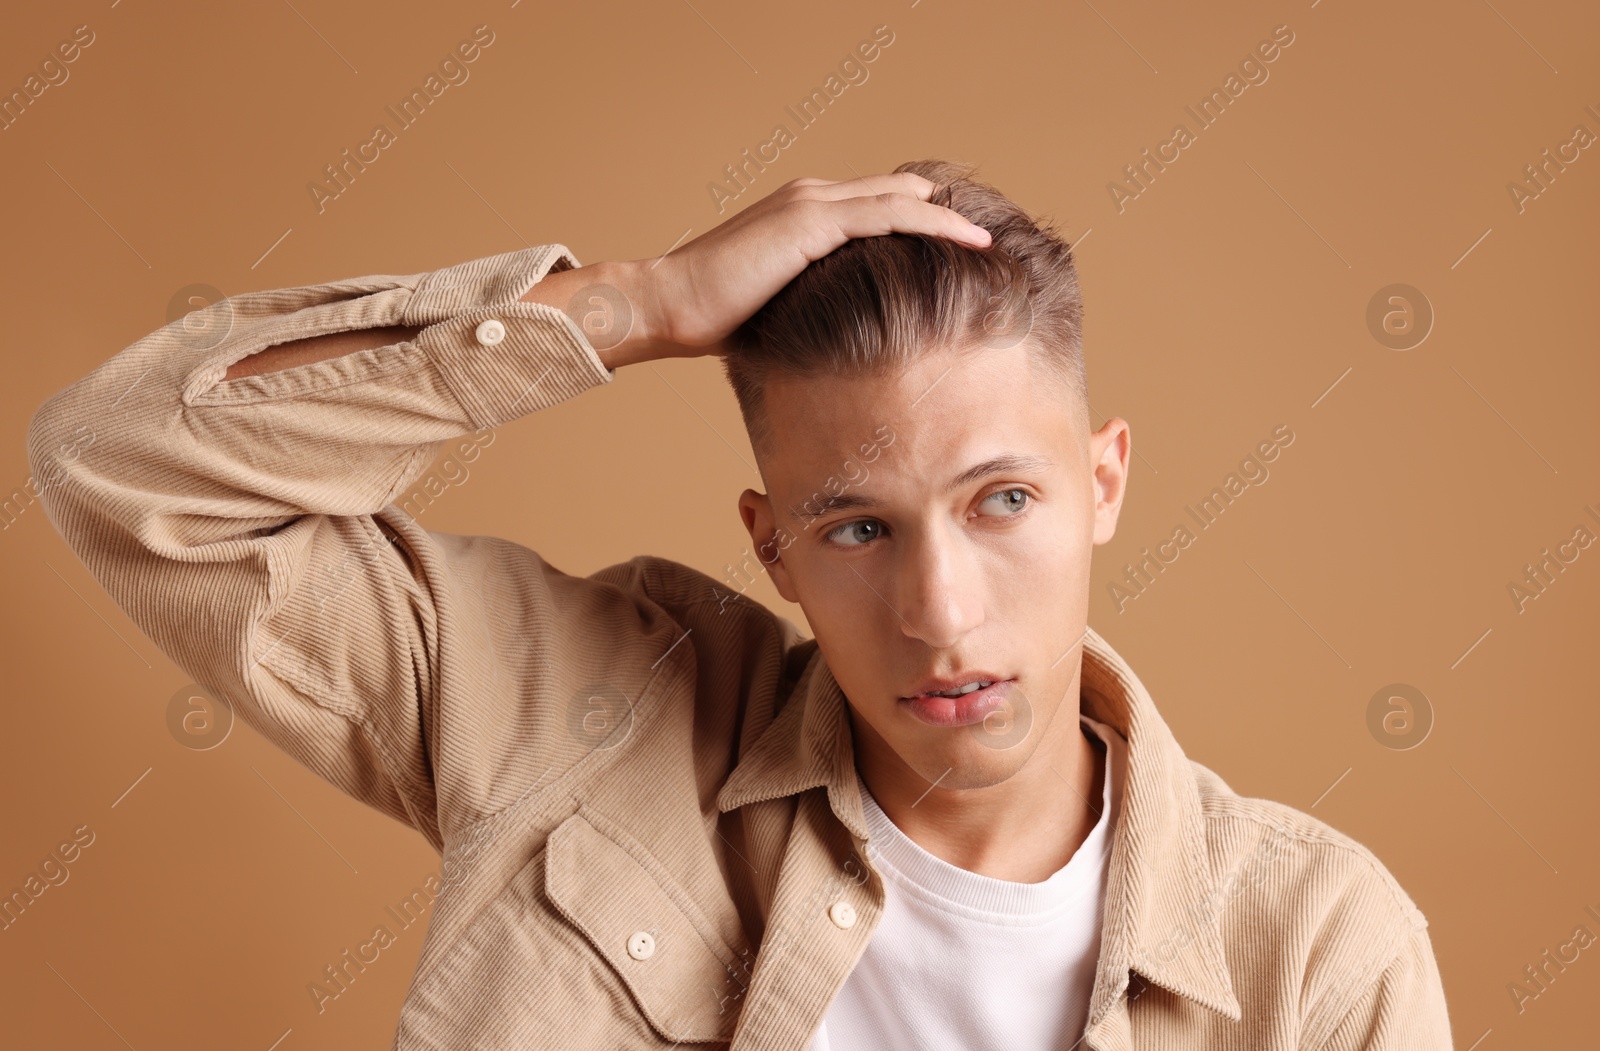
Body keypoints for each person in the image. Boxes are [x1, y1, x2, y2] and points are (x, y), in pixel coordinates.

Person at [27, 159, 1451, 1049]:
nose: (940, 611)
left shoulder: (1318, 950)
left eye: (1002, 502)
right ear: (771, 547)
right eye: (857, 528)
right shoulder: (582, 725)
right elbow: (120, 461)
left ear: (1105, 483)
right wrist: (632, 305)